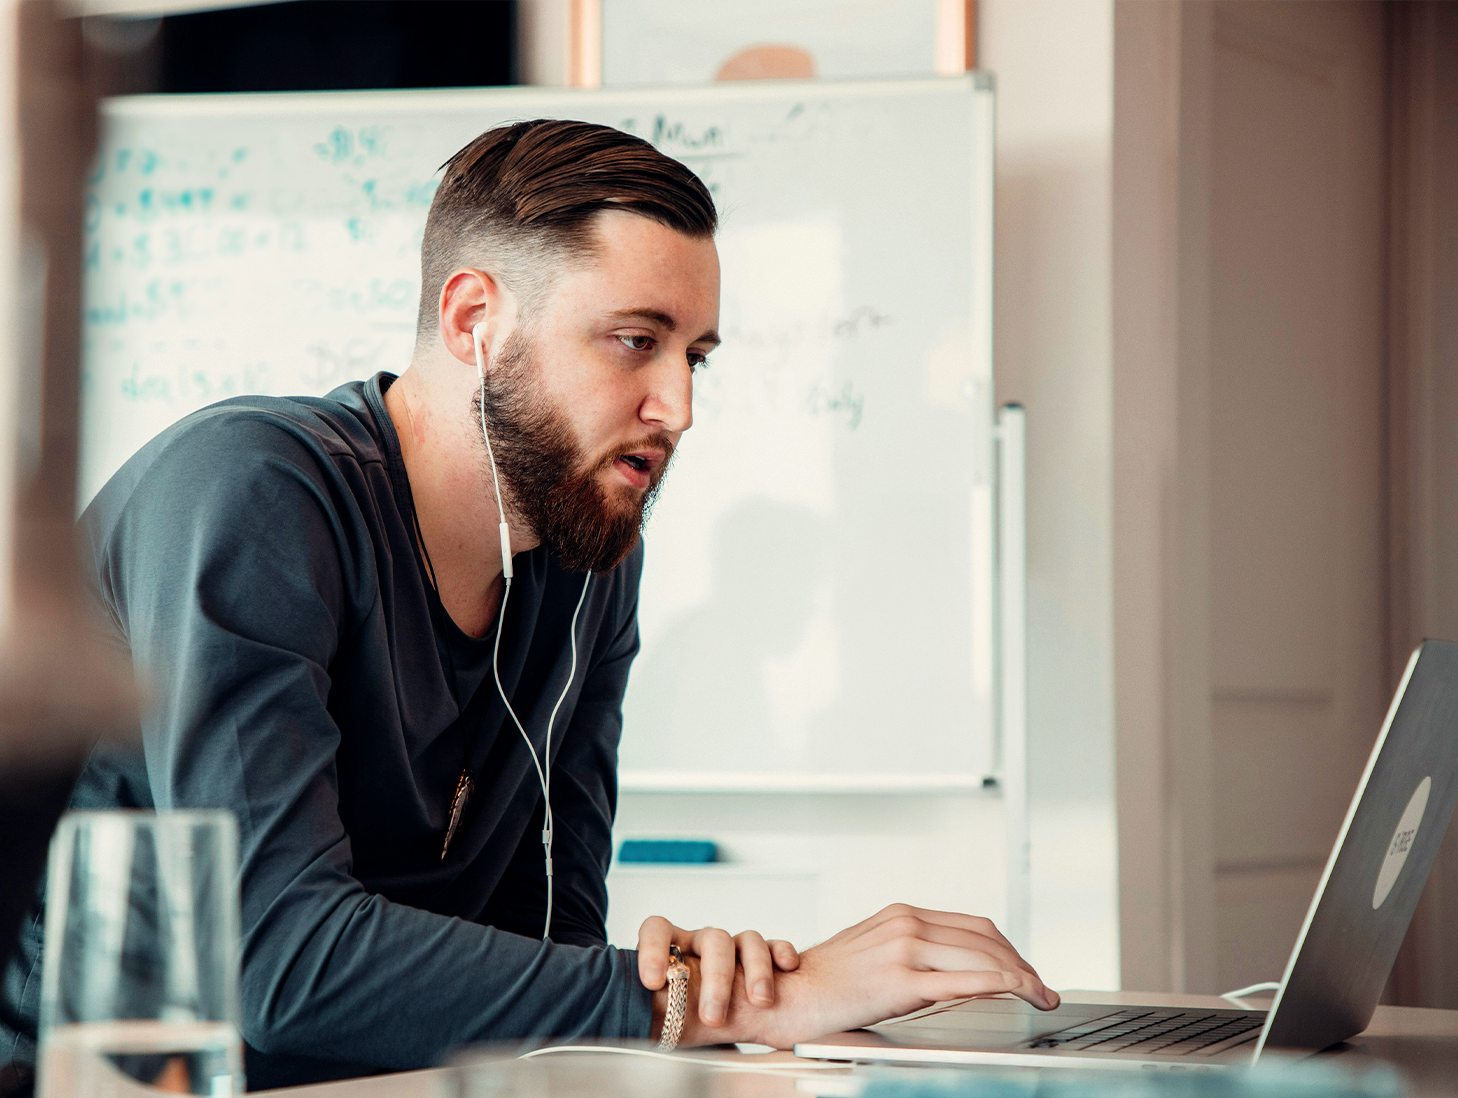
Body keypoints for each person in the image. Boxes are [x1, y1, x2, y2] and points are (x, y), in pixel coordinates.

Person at [0, 120, 1056, 1091]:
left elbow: (550, 952)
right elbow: (282, 962)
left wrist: (722, 1011)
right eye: (635, 341)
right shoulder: (254, 493)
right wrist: (753, 998)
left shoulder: (591, 557)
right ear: (474, 319)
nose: (679, 407)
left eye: (695, 356)